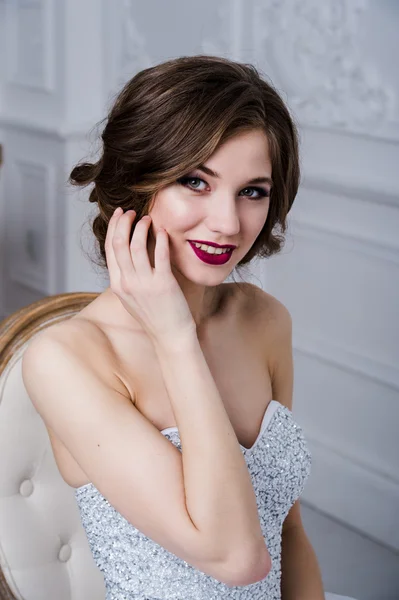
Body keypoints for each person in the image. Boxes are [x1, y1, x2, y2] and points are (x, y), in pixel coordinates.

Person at [22, 55, 357, 600]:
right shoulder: (66, 358)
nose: (228, 223)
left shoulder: (263, 319)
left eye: (253, 191)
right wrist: (175, 337)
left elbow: (288, 534)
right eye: (195, 181)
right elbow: (238, 557)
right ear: (137, 182)